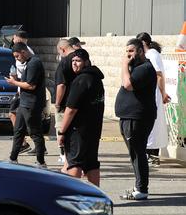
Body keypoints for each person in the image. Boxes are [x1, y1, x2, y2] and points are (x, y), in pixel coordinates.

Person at [115, 38, 157, 201]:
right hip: (129, 116)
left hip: (137, 117)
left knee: (138, 153)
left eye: (131, 51)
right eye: (126, 52)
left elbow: (127, 84)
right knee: (135, 153)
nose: (128, 55)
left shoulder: (145, 68)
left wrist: (124, 65)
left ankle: (141, 189)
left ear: (140, 51)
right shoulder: (137, 67)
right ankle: (139, 186)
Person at [57, 49, 105, 186]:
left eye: (78, 61)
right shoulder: (96, 78)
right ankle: (96, 196)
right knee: (91, 163)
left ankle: (74, 196)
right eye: (73, 61)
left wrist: (62, 131)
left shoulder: (81, 80)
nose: (74, 64)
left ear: (86, 62)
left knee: (74, 163)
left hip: (78, 130)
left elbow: (71, 109)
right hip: (93, 129)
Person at [6, 42, 47, 168]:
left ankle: (41, 162)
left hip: (31, 104)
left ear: (23, 52)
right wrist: (17, 81)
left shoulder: (34, 63)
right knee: (18, 131)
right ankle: (13, 159)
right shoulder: (29, 63)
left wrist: (14, 83)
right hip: (24, 103)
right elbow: (26, 83)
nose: (17, 59)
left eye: (17, 56)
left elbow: (31, 85)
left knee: (35, 132)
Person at [136, 32, 170, 167]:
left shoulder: (152, 55)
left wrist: (163, 93)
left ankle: (152, 155)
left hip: (154, 93)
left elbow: (159, 75)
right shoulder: (148, 55)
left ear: (145, 44)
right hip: (148, 93)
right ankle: (148, 154)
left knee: (153, 125)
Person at [8, 31, 35, 153]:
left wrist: (16, 82)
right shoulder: (20, 50)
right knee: (17, 115)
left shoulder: (26, 53)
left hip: (23, 89)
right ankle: (26, 143)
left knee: (26, 119)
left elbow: (28, 74)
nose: (13, 40)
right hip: (20, 88)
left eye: (15, 39)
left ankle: (24, 143)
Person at [55, 39, 77, 167]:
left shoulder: (64, 62)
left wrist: (57, 103)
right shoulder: (82, 59)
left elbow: (61, 85)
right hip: (80, 103)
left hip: (67, 104)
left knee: (62, 131)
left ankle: (65, 158)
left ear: (62, 49)